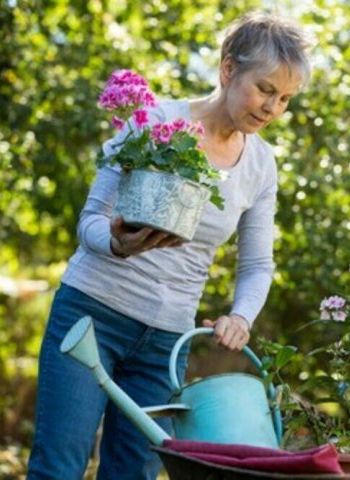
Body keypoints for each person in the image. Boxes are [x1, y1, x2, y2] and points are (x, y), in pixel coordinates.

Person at [27, 12, 313, 479]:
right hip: (91, 317)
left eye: (284, 99)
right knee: (59, 467)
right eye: (265, 89)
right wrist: (117, 244)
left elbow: (258, 263)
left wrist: (241, 316)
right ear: (227, 70)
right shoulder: (155, 123)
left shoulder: (262, 166)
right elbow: (91, 222)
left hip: (166, 343)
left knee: (132, 475)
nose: (271, 108)